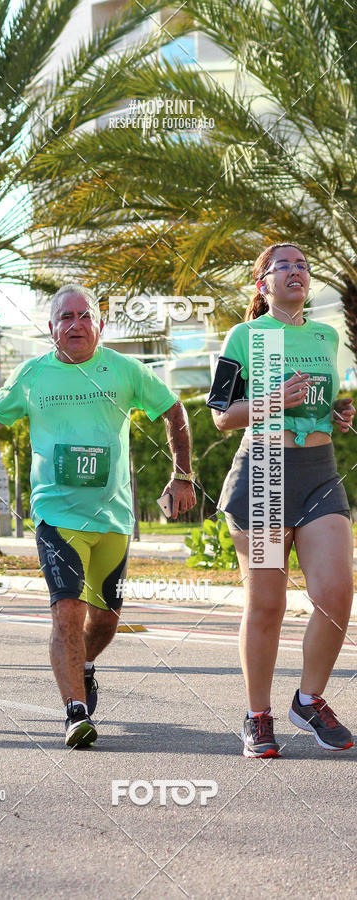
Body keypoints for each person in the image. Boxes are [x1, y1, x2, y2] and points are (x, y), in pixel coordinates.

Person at [0, 284, 196, 747]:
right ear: (51, 328)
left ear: (99, 325)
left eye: (84, 316)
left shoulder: (124, 370)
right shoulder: (33, 374)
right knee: (66, 611)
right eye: (65, 317)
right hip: (56, 514)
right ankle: (74, 711)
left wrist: (183, 474)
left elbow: (174, 412)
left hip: (113, 518)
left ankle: (84, 665)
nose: (75, 324)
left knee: (106, 620)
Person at [211, 242, 355, 758]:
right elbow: (221, 415)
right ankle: (257, 715)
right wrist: (273, 401)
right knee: (267, 604)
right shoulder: (246, 336)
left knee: (337, 592)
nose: (295, 271)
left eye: (302, 265)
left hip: (319, 471)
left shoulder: (326, 336)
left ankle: (309, 699)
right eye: (283, 266)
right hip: (267, 473)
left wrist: (337, 410)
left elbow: (321, 398)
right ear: (263, 284)